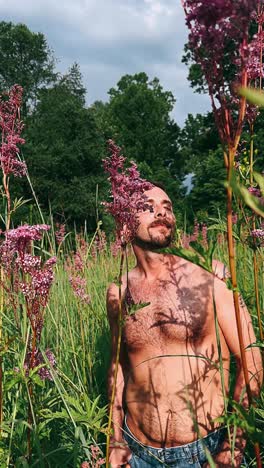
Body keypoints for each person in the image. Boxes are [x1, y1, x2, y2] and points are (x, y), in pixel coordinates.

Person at [107, 185, 262, 468]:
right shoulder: (119, 292)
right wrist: (115, 439)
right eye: (147, 205)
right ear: (125, 221)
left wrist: (233, 445)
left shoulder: (211, 275)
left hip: (206, 452)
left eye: (167, 205)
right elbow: (119, 367)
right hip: (137, 453)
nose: (161, 211)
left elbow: (252, 360)